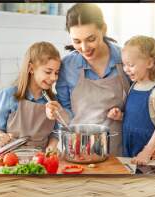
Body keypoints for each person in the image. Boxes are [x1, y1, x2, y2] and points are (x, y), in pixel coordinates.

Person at [52, 3, 130, 156]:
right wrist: (55, 112)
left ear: (104, 29)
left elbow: (144, 102)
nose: (84, 47)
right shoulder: (67, 66)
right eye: (76, 41)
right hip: (78, 151)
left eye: (91, 38)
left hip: (121, 151)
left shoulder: (125, 58)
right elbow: (65, 114)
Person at [107, 35, 155, 165]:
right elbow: (135, 117)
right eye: (124, 65)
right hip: (128, 149)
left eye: (130, 65)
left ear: (149, 63)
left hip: (149, 156)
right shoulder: (134, 86)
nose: (126, 69)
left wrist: (146, 152)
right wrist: (120, 116)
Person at [0, 42, 65, 151]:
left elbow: (55, 133)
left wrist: (51, 148)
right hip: (12, 159)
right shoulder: (8, 95)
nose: (54, 78)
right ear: (31, 68)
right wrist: (0, 137)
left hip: (41, 160)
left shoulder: (53, 101)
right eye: (48, 72)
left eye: (56, 72)